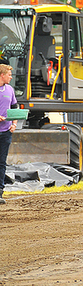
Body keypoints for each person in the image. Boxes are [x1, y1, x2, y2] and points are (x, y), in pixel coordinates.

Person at [0, 65, 17, 204]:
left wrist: (14, 124)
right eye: (9, 74)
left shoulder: (10, 90)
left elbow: (15, 109)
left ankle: (0, 192)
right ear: (2, 75)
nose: (11, 77)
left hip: (5, 132)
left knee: (1, 163)